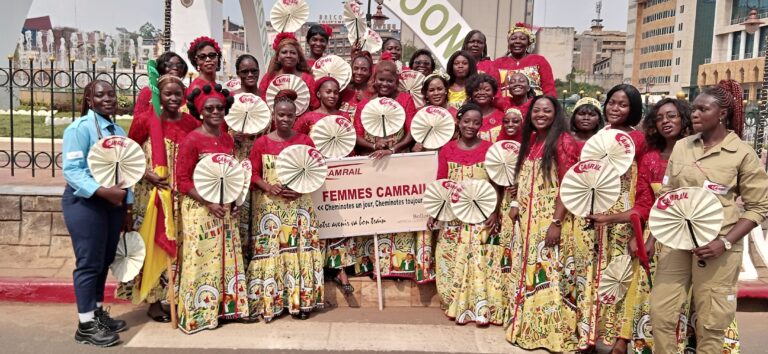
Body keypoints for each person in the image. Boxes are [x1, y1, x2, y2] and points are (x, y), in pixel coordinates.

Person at [650, 80, 768, 353]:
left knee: (711, 323)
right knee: (661, 313)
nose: (694, 114)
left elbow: (758, 207)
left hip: (717, 247)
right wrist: (656, 234)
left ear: (722, 114)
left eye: (703, 109)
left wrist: (724, 243)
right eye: (694, 109)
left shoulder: (742, 154)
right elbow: (668, 193)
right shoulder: (683, 147)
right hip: (677, 243)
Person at [117, 75, 199, 322]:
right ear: (159, 96)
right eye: (168, 94)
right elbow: (127, 155)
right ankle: (152, 300)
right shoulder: (146, 121)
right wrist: (146, 173)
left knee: (178, 245)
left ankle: (173, 296)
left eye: (177, 94)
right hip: (151, 193)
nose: (173, 99)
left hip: (181, 194)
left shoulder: (191, 123)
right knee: (153, 242)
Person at [504, 95, 580, 351]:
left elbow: (569, 185)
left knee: (550, 271)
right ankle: (528, 328)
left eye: (547, 111)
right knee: (530, 271)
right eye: (536, 110)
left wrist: (556, 221)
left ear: (556, 113)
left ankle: (552, 333)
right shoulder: (533, 141)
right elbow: (524, 179)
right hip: (528, 221)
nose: (540, 114)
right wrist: (515, 203)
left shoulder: (563, 141)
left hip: (549, 218)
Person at [174, 83, 249, 333]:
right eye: (209, 108)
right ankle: (198, 315)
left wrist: (235, 202)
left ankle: (227, 309)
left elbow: (231, 175)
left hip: (225, 207)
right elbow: (182, 180)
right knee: (201, 259)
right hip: (200, 209)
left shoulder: (227, 139)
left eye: (219, 107)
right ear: (200, 112)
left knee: (228, 257)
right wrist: (208, 202)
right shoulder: (192, 140)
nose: (215, 112)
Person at [578, 84, 646, 353]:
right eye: (612, 102)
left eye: (623, 104)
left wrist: (632, 224)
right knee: (592, 272)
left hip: (622, 216)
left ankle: (618, 338)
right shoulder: (599, 136)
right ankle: (590, 333)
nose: (615, 108)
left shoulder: (639, 140)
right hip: (596, 211)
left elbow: (642, 183)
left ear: (633, 110)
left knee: (619, 275)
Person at [62, 80, 131, 347]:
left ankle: (97, 312)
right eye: (100, 95)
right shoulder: (79, 129)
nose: (107, 99)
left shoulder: (118, 130)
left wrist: (126, 205)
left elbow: (127, 171)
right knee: (89, 263)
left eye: (111, 94)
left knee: (104, 260)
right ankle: (85, 325)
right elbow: (72, 170)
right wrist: (103, 192)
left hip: (113, 205)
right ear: (89, 100)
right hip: (87, 204)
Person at [247, 90, 325, 321]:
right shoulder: (261, 143)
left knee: (298, 252)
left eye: (289, 116)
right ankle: (271, 303)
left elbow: (317, 171)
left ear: (295, 116)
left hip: (299, 207)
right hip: (270, 209)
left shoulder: (304, 141)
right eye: (280, 115)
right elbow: (252, 173)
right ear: (273, 115)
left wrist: (301, 189)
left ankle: (300, 303)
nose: (285, 119)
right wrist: (267, 186)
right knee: (272, 252)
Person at [429, 103, 504, 326]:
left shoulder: (491, 148)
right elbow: (440, 182)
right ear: (458, 122)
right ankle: (456, 303)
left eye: (476, 122)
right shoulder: (447, 149)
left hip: (482, 215)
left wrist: (495, 211)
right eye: (466, 121)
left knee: (482, 262)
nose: (471, 126)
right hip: (453, 216)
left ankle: (482, 308)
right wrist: (435, 213)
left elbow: (497, 183)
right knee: (449, 257)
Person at [352, 58, 420, 279]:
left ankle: (398, 267)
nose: (385, 84)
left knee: (397, 213)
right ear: (375, 79)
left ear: (396, 81)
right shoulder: (365, 104)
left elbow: (413, 130)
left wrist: (395, 149)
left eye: (390, 80)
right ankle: (372, 266)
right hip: (373, 164)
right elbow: (356, 135)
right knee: (373, 214)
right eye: (381, 79)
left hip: (398, 164)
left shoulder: (406, 100)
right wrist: (374, 145)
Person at [258, 32, 318, 109]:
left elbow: (314, 105)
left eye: (293, 53)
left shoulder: (308, 79)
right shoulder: (268, 77)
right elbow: (262, 105)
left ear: (298, 58)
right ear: (278, 57)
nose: (288, 55)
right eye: (284, 52)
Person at [494, 23, 556, 97]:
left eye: (522, 39)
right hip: (504, 107)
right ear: (508, 42)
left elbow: (549, 88)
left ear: (528, 42)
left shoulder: (539, 61)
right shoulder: (498, 63)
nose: (517, 41)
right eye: (513, 38)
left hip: (533, 106)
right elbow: (493, 89)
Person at [412, 72, 457, 152]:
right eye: (431, 90)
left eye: (440, 89)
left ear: (446, 90)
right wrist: (415, 150)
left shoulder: (455, 114)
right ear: (425, 93)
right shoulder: (419, 114)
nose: (436, 93)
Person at [134, 52, 189, 117]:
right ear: (161, 68)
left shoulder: (188, 92)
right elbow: (138, 119)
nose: (175, 68)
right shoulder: (148, 91)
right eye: (169, 65)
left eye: (179, 65)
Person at [466, 73, 504, 143]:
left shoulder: (502, 116)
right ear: (471, 93)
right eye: (477, 90)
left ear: (493, 93)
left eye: (487, 90)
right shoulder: (464, 116)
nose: (482, 93)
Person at [339, 52, 374, 118]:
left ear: (369, 72)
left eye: (364, 69)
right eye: (356, 68)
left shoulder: (373, 93)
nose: (359, 72)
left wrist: (364, 101)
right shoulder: (344, 90)